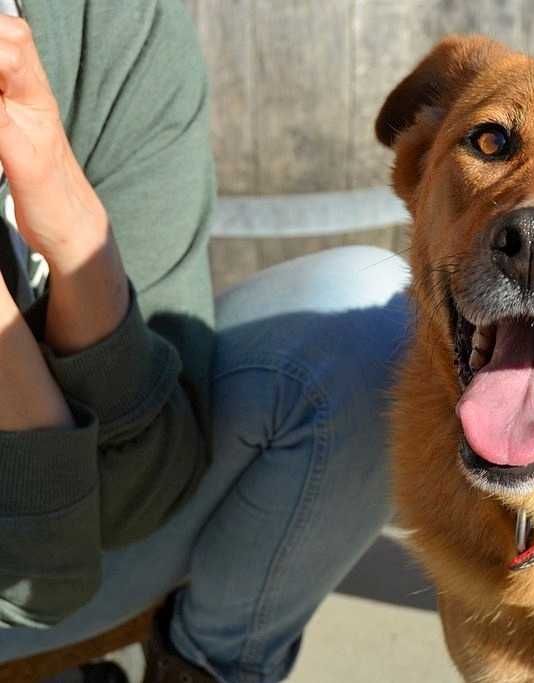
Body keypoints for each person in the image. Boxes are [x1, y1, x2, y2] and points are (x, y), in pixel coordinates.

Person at [0, 1, 408, 681]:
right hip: (30, 571)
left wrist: (72, 230)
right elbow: (42, 574)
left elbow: (147, 486)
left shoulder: (111, 21)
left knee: (365, 336)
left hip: (61, 554)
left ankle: (202, 669)